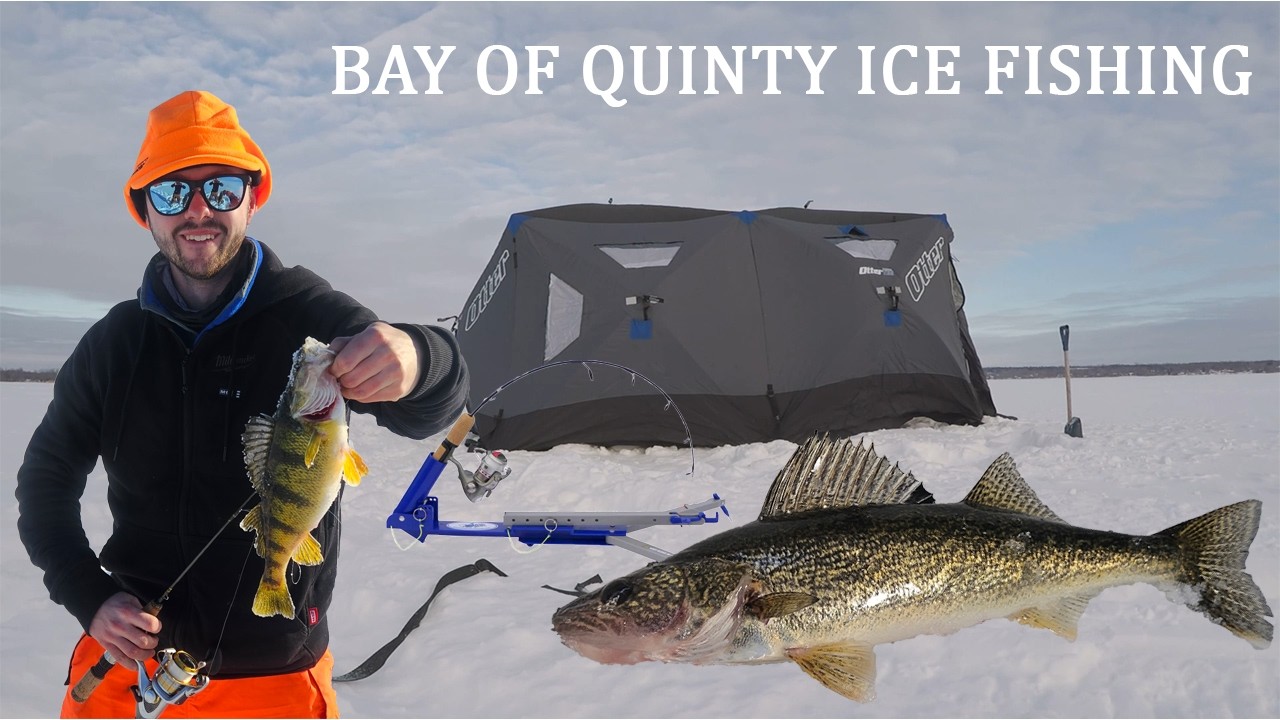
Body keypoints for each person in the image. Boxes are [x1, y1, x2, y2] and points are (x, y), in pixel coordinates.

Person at [15, 90, 470, 718]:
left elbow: (427, 408)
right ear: (145, 211)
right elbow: (44, 483)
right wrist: (87, 595)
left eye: (222, 188)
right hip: (126, 662)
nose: (198, 210)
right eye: (172, 193)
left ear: (252, 199)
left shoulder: (310, 316)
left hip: (275, 677)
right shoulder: (114, 344)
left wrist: (418, 358)